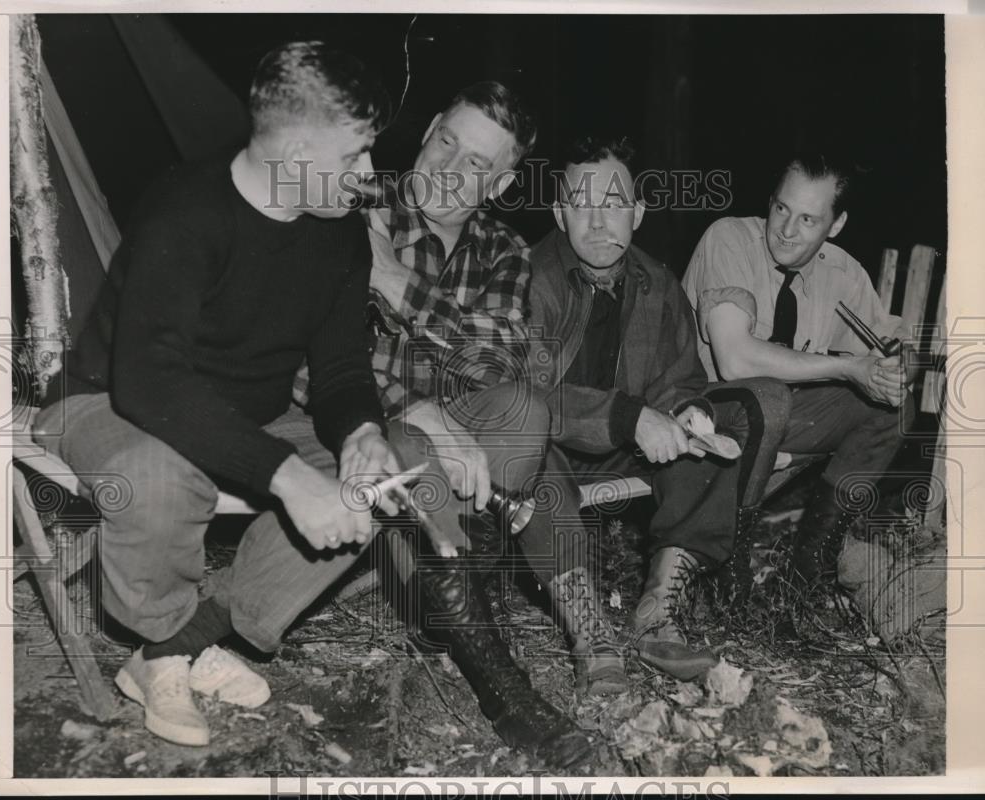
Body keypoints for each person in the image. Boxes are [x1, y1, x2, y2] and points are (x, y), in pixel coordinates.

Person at [32, 41, 405, 748]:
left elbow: (341, 373)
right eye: (355, 154)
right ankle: (168, 652)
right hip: (102, 400)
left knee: (381, 481)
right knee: (158, 476)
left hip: (238, 413)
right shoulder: (185, 207)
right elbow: (150, 382)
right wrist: (289, 477)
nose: (369, 176)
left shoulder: (342, 236)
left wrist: (361, 434)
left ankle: (190, 636)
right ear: (293, 151)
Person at [294, 82, 610, 768]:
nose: (447, 168)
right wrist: (420, 408)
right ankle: (503, 689)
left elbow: (491, 366)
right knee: (407, 444)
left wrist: (390, 281)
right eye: (446, 142)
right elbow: (306, 362)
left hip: (461, 440)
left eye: (476, 165)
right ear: (429, 127)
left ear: (499, 184)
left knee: (528, 411)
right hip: (354, 435)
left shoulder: (503, 250)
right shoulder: (353, 201)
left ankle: (461, 580)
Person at [528, 134, 767, 682]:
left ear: (637, 211)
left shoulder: (656, 282)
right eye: (581, 204)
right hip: (549, 450)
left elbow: (678, 378)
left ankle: (656, 611)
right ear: (559, 212)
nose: (596, 221)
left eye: (613, 204)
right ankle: (588, 630)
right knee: (528, 447)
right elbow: (523, 394)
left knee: (719, 429)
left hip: (623, 450)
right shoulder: (527, 277)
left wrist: (687, 411)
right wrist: (629, 416)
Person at [681, 152, 915, 591]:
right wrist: (849, 368)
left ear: (836, 224)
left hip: (779, 413)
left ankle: (809, 570)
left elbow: (893, 343)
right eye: (782, 209)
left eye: (808, 219)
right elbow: (735, 360)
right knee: (767, 396)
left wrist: (896, 369)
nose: (787, 230)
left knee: (893, 408)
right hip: (707, 408)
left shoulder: (843, 272)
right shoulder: (729, 238)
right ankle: (727, 569)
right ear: (770, 201)